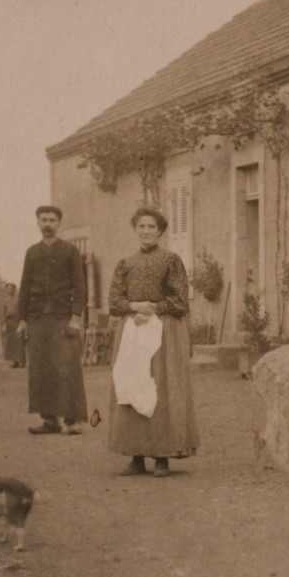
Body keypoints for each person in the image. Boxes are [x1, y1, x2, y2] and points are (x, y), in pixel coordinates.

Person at [108, 204, 198, 476]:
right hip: (133, 330)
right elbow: (114, 301)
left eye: (151, 227)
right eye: (142, 226)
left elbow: (180, 301)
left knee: (161, 388)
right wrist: (135, 307)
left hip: (163, 330)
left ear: (160, 232)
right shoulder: (126, 263)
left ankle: (162, 457)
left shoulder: (171, 260)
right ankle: (136, 456)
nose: (146, 231)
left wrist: (154, 308)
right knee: (131, 384)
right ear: (136, 230)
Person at [16, 206, 88, 436]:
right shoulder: (32, 253)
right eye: (43, 220)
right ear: (38, 223)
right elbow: (25, 287)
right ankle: (49, 420)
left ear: (59, 224)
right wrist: (22, 319)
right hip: (37, 319)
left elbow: (80, 286)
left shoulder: (70, 251)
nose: (47, 224)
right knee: (40, 369)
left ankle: (72, 420)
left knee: (67, 367)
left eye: (52, 220)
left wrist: (76, 316)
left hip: (63, 318)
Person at [2, 283, 26, 368]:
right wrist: (4, 323)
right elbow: (4, 312)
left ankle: (22, 362)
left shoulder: (18, 299)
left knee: (19, 342)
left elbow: (22, 310)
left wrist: (21, 322)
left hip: (17, 321)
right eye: (7, 289)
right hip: (9, 322)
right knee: (11, 343)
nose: (9, 290)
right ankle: (15, 362)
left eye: (10, 289)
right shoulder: (6, 300)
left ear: (14, 289)